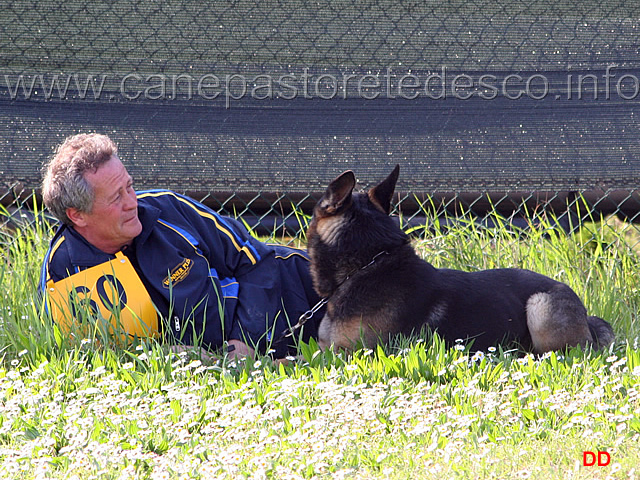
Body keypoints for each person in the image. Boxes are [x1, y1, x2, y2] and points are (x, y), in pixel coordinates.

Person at [39, 133, 321, 359]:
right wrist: (161, 356)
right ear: (77, 215)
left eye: (130, 186)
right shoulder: (64, 274)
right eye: (116, 198)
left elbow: (256, 258)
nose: (132, 203)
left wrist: (244, 340)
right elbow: (94, 358)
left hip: (303, 291)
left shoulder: (168, 209)